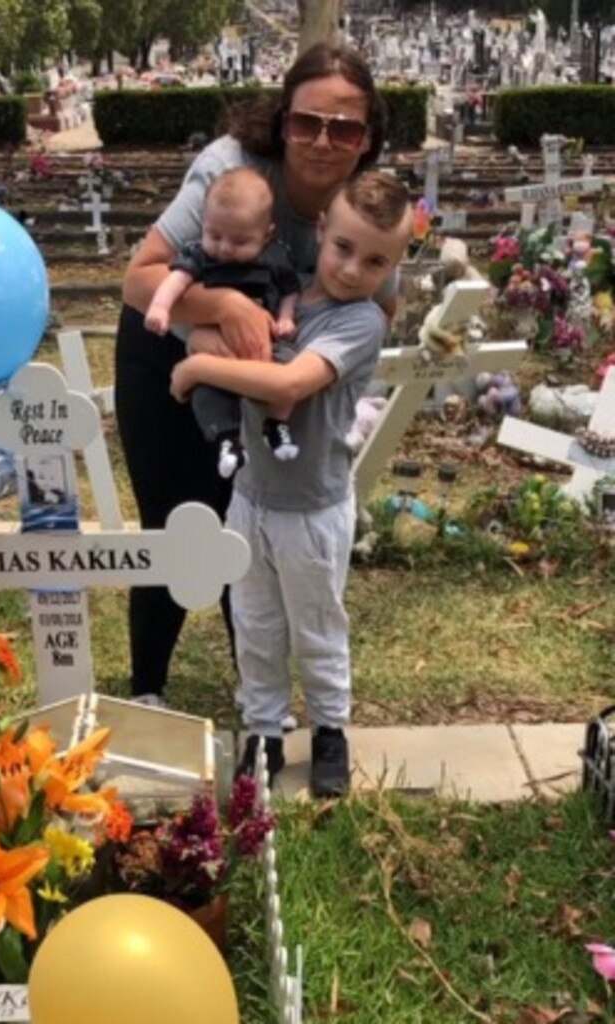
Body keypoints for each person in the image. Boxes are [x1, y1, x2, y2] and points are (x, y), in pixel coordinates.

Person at [115, 42, 394, 709]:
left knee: (249, 522)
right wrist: (223, 306)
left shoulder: (358, 201)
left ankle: (256, 686)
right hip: (165, 349)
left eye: (345, 128)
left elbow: (385, 291)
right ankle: (149, 685)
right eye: (307, 122)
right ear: (281, 118)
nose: (324, 141)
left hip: (262, 372)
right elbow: (138, 278)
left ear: (368, 138)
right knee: (173, 518)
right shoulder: (232, 170)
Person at [170, 172, 414, 797]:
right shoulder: (275, 298)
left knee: (316, 624)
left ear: (395, 264)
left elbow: (286, 386)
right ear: (322, 233)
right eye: (343, 248)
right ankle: (264, 731)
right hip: (250, 497)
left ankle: (330, 728)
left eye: (376, 260)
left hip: (313, 507)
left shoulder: (360, 322)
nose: (354, 269)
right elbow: (199, 317)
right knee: (254, 624)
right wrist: (203, 336)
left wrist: (196, 366)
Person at [145, 166, 302, 478]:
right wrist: (160, 309)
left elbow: (290, 290)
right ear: (203, 225)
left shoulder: (274, 257)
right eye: (214, 235)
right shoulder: (201, 256)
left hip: (264, 346)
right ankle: (228, 441)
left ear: (267, 235)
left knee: (290, 374)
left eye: (240, 241)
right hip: (215, 346)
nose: (225, 248)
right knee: (206, 393)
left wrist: (285, 317)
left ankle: (276, 424)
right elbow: (175, 281)